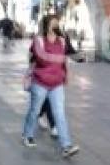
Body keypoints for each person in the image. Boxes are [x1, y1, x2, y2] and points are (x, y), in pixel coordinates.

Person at [22, 15, 80, 157]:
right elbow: (42, 58)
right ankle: (27, 135)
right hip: (40, 82)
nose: (56, 26)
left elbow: (66, 58)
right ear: (46, 26)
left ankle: (66, 146)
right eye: (53, 24)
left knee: (59, 114)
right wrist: (59, 58)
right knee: (35, 111)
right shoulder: (39, 40)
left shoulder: (62, 40)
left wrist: (68, 71)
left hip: (57, 84)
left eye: (57, 24)